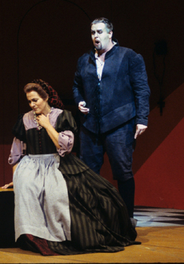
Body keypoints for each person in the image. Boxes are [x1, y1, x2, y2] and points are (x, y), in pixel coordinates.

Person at [2, 79, 138, 255]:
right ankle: (35, 236)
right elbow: (16, 152)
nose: (32, 104)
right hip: (31, 166)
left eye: (35, 100)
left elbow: (65, 147)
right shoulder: (25, 119)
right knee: (29, 192)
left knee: (72, 194)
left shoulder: (62, 115)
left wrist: (47, 125)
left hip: (58, 162)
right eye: (29, 101)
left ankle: (68, 234)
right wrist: (16, 178)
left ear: (46, 98)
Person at [73, 17, 150, 225]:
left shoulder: (128, 56)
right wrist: (79, 100)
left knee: (122, 170)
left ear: (110, 33)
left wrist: (142, 118)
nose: (95, 36)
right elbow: (76, 85)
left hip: (120, 123)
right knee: (88, 172)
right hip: (90, 125)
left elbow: (142, 89)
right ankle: (92, 219)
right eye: (92, 33)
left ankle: (126, 220)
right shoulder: (85, 59)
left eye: (99, 32)